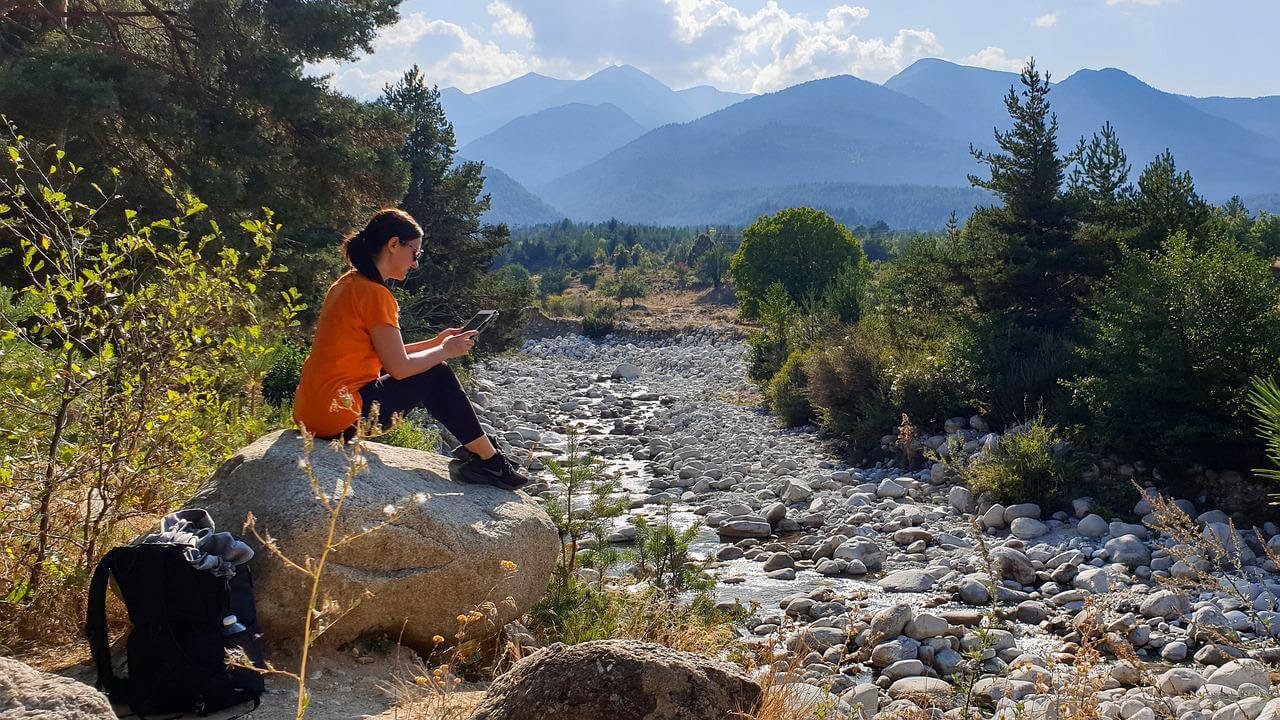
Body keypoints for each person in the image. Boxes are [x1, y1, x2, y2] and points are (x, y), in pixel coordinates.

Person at [292, 208, 527, 490]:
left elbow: (383, 354)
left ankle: (482, 452)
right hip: (340, 416)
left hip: (312, 411)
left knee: (433, 367)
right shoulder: (376, 295)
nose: (415, 264)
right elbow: (400, 368)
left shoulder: (347, 284)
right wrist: (445, 351)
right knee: (436, 373)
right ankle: (490, 461)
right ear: (393, 245)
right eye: (415, 253)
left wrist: (436, 342)